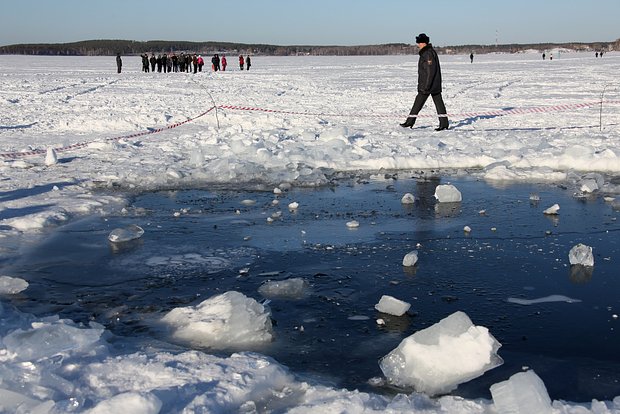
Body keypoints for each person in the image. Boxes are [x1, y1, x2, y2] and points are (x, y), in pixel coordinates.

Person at [400, 33, 449, 131]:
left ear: (423, 43)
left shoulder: (427, 53)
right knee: (437, 103)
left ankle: (410, 122)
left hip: (428, 85)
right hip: (433, 84)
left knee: (419, 103)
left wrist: (426, 85)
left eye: (419, 43)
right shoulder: (427, 52)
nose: (418, 45)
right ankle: (443, 123)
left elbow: (430, 71)